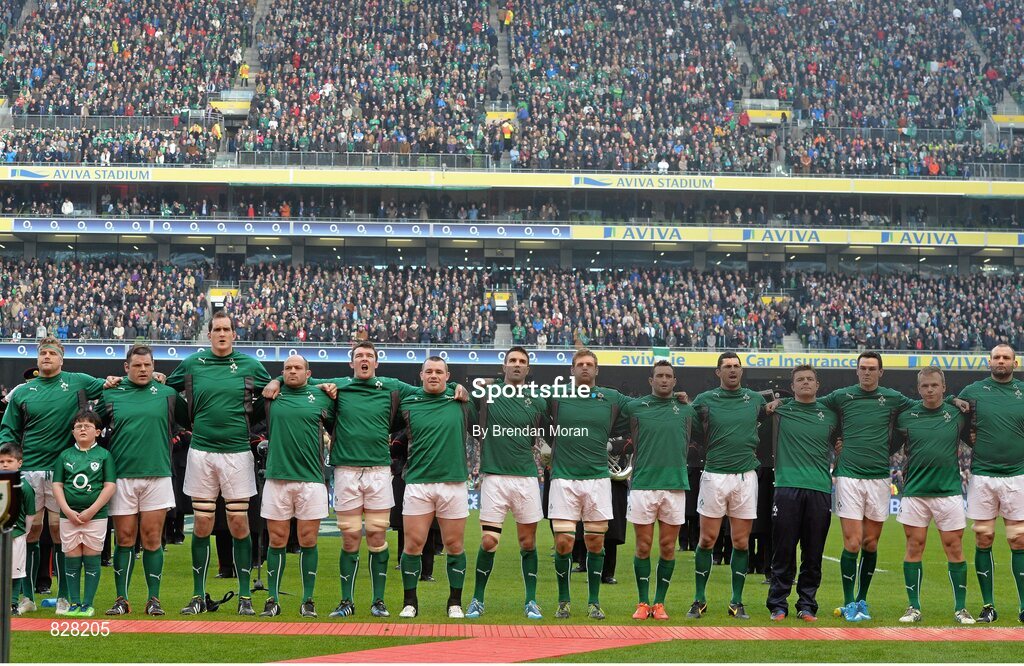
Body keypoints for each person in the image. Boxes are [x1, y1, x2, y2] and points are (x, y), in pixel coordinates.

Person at [262, 341, 467, 618]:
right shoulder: (338, 385)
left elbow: (428, 390)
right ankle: (346, 601)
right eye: (359, 356)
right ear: (352, 363)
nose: (364, 360)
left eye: (369, 356)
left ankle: (378, 601)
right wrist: (276, 380)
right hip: (346, 471)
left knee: (377, 537)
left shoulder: (392, 386)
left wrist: (456, 388)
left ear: (376, 362)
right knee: (349, 540)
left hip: (379, 472)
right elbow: (298, 377)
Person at [0, 337, 119, 615]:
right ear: (37, 358)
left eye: (52, 353)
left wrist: (115, 380)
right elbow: (8, 430)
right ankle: (26, 597)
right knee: (29, 532)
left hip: (62, 470)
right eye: (43, 353)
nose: (47, 357)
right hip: (28, 469)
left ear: (61, 359)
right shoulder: (22, 392)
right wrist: (9, 463)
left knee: (59, 531)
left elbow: (108, 385)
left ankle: (65, 596)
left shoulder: (77, 380)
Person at [166, 311, 272, 616]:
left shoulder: (251, 365)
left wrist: (253, 423)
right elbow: (167, 391)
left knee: (239, 523)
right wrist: (190, 420)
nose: (222, 334)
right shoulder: (192, 364)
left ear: (234, 334)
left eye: (227, 329)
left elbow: (270, 394)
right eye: (217, 329)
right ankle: (198, 595)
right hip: (202, 451)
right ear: (209, 334)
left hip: (237, 452)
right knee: (202, 523)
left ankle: (244, 596)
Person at [95, 344, 186, 616]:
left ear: (154, 365)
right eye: (137, 365)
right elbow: (90, 426)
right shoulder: (111, 395)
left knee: (151, 538)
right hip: (121, 476)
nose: (143, 369)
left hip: (157, 474)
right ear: (126, 368)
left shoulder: (168, 395)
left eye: (147, 365)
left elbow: (192, 418)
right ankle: (121, 599)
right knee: (123, 538)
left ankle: (153, 599)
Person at [547, 349, 631, 620]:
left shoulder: (612, 397)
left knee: (596, 543)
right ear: (571, 370)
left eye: (589, 365)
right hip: (563, 478)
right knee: (563, 543)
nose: (584, 368)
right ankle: (563, 600)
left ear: (596, 370)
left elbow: (645, 408)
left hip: (597, 480)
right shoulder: (556, 395)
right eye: (579, 365)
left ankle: (594, 602)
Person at [466, 346, 547, 620]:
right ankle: (477, 599)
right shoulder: (487, 393)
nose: (516, 365)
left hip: (526, 477)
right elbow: (466, 410)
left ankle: (531, 600)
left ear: (528, 369)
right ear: (503, 367)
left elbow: (546, 431)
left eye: (522, 361)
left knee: (528, 542)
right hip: (494, 477)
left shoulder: (537, 399)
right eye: (512, 360)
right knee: (489, 541)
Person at [892, 367, 975, 624]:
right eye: (925, 386)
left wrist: (954, 401)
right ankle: (913, 607)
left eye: (934, 385)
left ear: (943, 387)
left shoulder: (957, 414)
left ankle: (961, 609)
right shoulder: (906, 415)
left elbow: (976, 428)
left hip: (948, 491)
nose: (929, 390)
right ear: (918, 389)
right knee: (914, 547)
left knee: (955, 548)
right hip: (915, 492)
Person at [688, 352, 766, 620]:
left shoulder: (755, 400)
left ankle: (737, 601)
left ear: (741, 371)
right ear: (718, 372)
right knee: (707, 540)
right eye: (727, 367)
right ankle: (699, 599)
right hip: (714, 475)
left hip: (746, 476)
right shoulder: (704, 400)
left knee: (741, 542)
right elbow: (694, 430)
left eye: (736, 367)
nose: (732, 370)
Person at [397, 356, 476, 618]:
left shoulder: (462, 401)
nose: (433, 375)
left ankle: (455, 603)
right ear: (421, 375)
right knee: (413, 545)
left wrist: (460, 389)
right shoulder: (408, 400)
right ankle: (410, 603)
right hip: (418, 482)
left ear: (448, 375)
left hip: (453, 482)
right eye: (428, 371)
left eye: (439, 372)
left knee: (454, 545)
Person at [259, 355, 335, 619]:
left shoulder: (323, 396)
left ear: (308, 372)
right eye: (287, 368)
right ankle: (273, 599)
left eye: (297, 368)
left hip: (311, 479)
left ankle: (307, 600)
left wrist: (327, 385)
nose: (292, 371)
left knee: (308, 540)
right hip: (277, 477)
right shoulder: (271, 396)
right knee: (277, 540)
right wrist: (276, 380)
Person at [622, 361, 696, 621]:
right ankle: (643, 602)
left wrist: (689, 401)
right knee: (643, 547)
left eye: (669, 376)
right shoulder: (634, 408)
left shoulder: (687, 410)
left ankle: (660, 603)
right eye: (659, 376)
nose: (664, 380)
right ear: (650, 380)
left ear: (675, 381)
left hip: (675, 486)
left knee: (667, 547)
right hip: (643, 485)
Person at [765, 365, 838, 622]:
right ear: (792, 386)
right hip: (786, 487)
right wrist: (776, 401)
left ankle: (807, 604)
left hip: (819, 489)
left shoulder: (830, 414)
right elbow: (754, 400)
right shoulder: (780, 410)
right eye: (800, 380)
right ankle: (778, 604)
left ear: (817, 385)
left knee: (813, 551)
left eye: (810, 379)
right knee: (783, 549)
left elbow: (841, 442)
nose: (805, 383)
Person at [958, 344, 1024, 623]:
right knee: (983, 538)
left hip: (1018, 475)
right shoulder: (972, 391)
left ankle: (1023, 607)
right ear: (989, 362)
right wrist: (968, 440)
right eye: (996, 357)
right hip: (983, 475)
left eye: (1005, 357)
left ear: (1015, 363)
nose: (1001, 361)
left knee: (1019, 540)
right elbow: (955, 422)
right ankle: (989, 606)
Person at [51, 410, 116, 618]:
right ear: (72, 432)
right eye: (78, 426)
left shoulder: (104, 455)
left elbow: (109, 486)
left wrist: (91, 511)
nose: (82, 429)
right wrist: (68, 511)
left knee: (91, 555)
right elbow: (57, 485)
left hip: (95, 516)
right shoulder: (64, 455)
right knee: (71, 555)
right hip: (68, 516)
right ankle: (74, 602)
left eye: (87, 426)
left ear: (97, 432)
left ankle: (87, 603)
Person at [1, 443, 35, 616]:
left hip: (17, 534)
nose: (5, 464)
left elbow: (30, 513)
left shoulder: (24, 486)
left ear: (19, 463)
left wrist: (25, 532)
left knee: (16, 570)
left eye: (9, 461)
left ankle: (13, 603)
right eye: (1, 461)